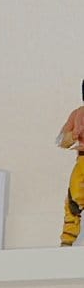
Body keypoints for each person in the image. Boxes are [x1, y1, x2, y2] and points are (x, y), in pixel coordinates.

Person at [58, 92, 84, 248]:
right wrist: (73, 135)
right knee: (73, 202)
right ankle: (67, 241)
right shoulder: (77, 114)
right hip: (82, 162)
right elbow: (61, 141)